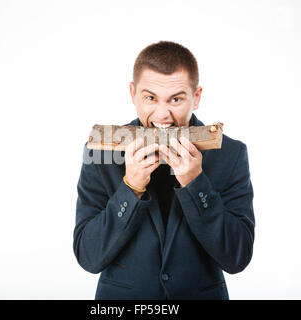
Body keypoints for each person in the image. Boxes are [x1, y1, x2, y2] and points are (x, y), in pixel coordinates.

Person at [73, 41, 255, 300]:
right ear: (133, 94)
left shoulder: (232, 153)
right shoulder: (99, 152)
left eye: (176, 99)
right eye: (150, 98)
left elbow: (237, 258)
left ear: (197, 96)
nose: (163, 114)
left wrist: (195, 183)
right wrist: (131, 187)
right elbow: (88, 257)